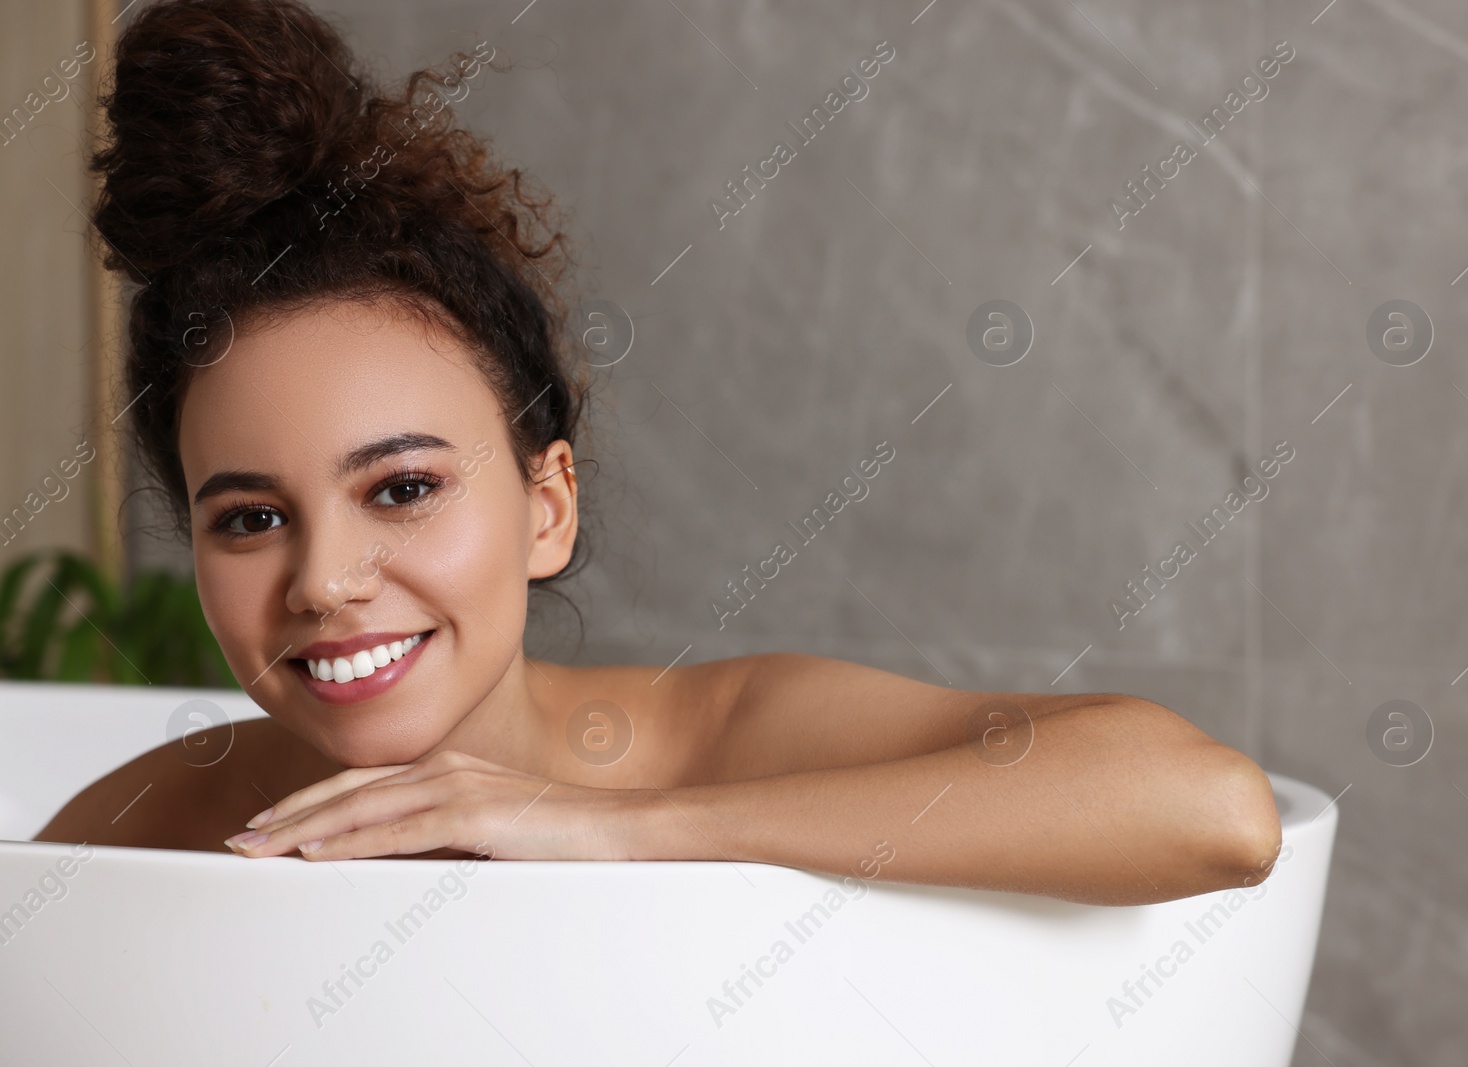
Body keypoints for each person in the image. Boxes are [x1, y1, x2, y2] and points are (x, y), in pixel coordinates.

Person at [36, 0, 1281, 905]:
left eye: (404, 488)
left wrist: (614, 828)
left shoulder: (721, 737)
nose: (323, 580)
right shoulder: (154, 829)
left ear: (547, 505)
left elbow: (1207, 807)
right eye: (248, 517)